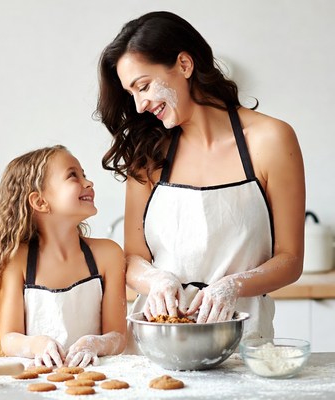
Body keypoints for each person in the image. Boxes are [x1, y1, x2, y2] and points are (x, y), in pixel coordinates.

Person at [96, 11, 305, 343]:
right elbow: (134, 258)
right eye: (131, 93)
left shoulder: (271, 140)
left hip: (242, 342)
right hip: (158, 342)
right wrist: (157, 281)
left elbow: (290, 260)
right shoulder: (147, 152)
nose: (138, 106)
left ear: (183, 64)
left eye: (144, 86)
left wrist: (231, 286)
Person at [0, 145, 127, 367]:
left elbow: (118, 337)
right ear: (40, 202)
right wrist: (38, 344)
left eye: (83, 174)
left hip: (96, 379)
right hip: (38, 381)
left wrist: (93, 343)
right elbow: (9, 338)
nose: (88, 182)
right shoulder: (17, 261)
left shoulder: (109, 255)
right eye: (73, 175)